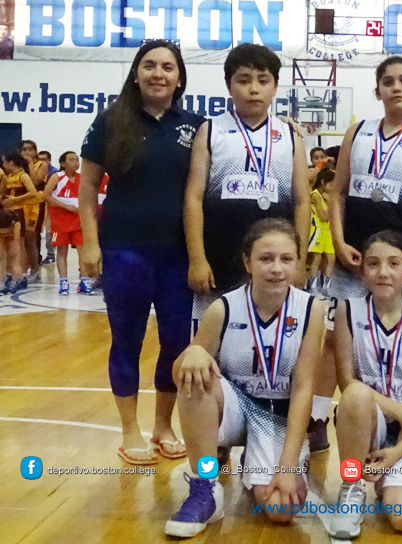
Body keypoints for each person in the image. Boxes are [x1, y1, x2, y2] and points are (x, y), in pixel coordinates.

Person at [79, 39, 206, 465]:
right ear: (136, 72)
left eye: (167, 67)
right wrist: (91, 244)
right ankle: (129, 430)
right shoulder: (110, 122)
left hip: (178, 255)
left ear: (179, 77)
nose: (158, 73)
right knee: (127, 341)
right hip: (124, 251)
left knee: (175, 343)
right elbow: (87, 190)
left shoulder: (196, 126)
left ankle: (162, 425)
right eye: (149, 65)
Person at [165, 218, 324, 538]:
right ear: (247, 262)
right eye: (266, 258)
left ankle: (268, 459)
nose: (276, 268)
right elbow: (178, 376)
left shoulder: (311, 309)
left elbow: (304, 387)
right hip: (235, 408)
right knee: (197, 378)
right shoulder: (223, 308)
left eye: (286, 259)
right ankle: (204, 488)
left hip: (278, 415)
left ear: (298, 262)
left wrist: (288, 464)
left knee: (281, 510)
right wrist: (192, 354)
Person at [318, 56, 402, 453]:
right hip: (354, 258)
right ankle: (320, 420)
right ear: (377, 91)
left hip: (397, 262)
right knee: (333, 341)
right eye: (388, 81)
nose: (396, 87)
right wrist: (337, 241)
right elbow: (337, 194)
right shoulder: (359, 131)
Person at [185, 43, 310, 335]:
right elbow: (193, 198)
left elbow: (302, 202)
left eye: (263, 80)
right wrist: (197, 259)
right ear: (229, 85)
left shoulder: (290, 136)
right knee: (212, 342)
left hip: (274, 260)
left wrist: (300, 261)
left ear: (275, 86)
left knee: (272, 340)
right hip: (219, 256)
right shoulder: (211, 130)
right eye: (243, 80)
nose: (254, 89)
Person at [330, 230, 402, 538]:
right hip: (365, 420)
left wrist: (400, 448)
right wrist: (400, 412)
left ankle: (387, 474)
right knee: (354, 394)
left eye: (394, 263)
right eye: (374, 263)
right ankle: (351, 490)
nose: (383, 272)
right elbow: (346, 381)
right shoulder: (347, 311)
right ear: (363, 269)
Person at [43, 151, 91, 296]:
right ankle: (64, 282)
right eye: (71, 160)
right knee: (62, 251)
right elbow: (45, 195)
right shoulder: (57, 177)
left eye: (77, 160)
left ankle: (84, 280)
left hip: (78, 219)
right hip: (60, 219)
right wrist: (65, 206)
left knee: (82, 250)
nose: (76, 163)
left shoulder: (83, 178)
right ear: (63, 163)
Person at [1, 150, 40, 292]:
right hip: (8, 214)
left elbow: (33, 193)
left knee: (20, 245)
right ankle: (12, 274)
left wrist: (15, 200)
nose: (4, 164)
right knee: (9, 246)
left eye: (5, 161)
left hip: (20, 213)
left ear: (12, 162)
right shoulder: (9, 176)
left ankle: (21, 275)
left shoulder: (23, 176)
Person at [19, 140, 48, 282]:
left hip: (36, 205)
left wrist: (30, 163)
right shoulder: (18, 167)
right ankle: (22, 269)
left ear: (35, 151)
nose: (27, 152)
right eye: (24, 149)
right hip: (22, 204)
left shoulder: (41, 165)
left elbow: (35, 182)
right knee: (21, 239)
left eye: (30, 149)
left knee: (31, 238)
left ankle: (35, 270)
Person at [307, 168, 335, 293]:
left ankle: (326, 288)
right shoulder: (315, 195)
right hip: (317, 229)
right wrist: (329, 203)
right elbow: (324, 217)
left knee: (331, 258)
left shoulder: (330, 196)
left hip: (327, 230)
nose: (333, 188)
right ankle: (312, 287)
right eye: (331, 185)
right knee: (317, 258)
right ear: (323, 182)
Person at [39, 150, 58, 265]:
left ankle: (51, 255)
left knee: (49, 231)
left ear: (49, 160)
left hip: (50, 206)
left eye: (44, 159)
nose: (42, 162)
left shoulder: (54, 173)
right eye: (39, 159)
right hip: (38, 204)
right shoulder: (36, 170)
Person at [0, 209, 24, 294]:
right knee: (1, 255)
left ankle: (16, 279)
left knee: (15, 255)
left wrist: (14, 244)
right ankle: (2, 280)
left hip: (13, 235)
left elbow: (16, 240)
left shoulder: (16, 222)